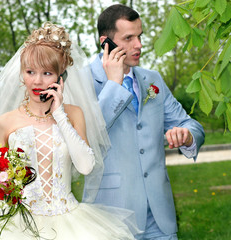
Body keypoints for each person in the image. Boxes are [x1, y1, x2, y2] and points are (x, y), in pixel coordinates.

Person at [0, 22, 140, 240]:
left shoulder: (73, 114)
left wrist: (60, 114)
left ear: (60, 77)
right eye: (30, 71)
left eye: (47, 73)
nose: (37, 81)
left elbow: (86, 166)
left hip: (70, 222)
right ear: (21, 74)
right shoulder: (5, 122)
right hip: (19, 226)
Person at [84, 4, 205, 240]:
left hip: (160, 218)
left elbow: (192, 125)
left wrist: (187, 135)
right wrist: (113, 85)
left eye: (139, 36)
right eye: (128, 38)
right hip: (112, 216)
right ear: (105, 42)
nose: (138, 45)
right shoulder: (82, 80)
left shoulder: (153, 79)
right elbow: (89, 136)